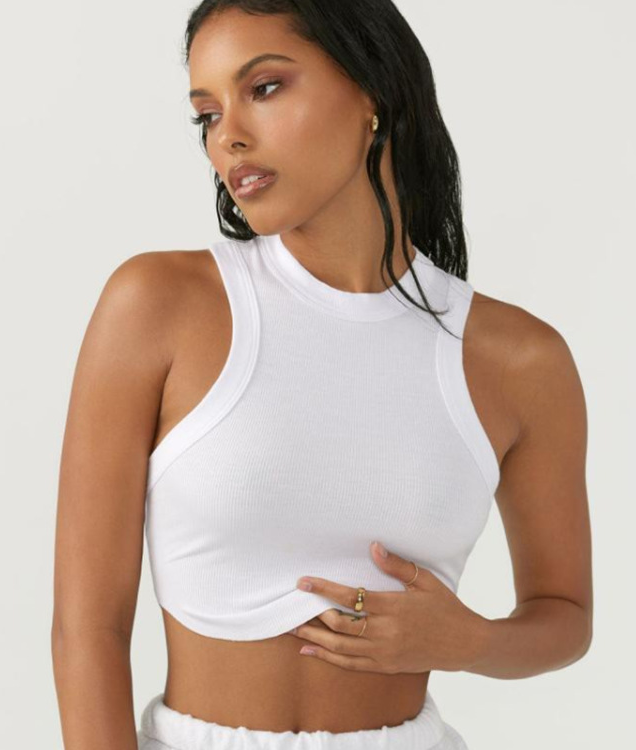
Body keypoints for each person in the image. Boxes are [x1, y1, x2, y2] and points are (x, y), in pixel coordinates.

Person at [51, 2, 593, 749]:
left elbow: (565, 615)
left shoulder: (520, 360)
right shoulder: (157, 306)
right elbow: (87, 628)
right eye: (207, 114)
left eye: (264, 88)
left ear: (374, 90)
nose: (227, 136)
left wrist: (469, 641)